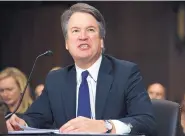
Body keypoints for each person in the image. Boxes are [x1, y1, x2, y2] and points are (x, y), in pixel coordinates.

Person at [6, 3, 156, 135]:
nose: (82, 36)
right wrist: (19, 123)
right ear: (66, 43)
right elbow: (35, 117)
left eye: (90, 30)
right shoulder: (56, 79)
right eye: (75, 31)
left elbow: (146, 121)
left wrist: (105, 125)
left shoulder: (125, 73)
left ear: (101, 40)